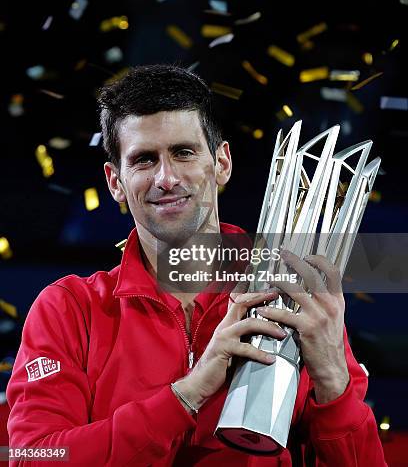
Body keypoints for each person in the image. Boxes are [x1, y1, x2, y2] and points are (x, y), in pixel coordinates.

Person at [7, 65, 386, 466]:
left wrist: (333, 382)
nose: (167, 177)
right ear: (115, 181)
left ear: (222, 162)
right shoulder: (69, 308)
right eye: (144, 160)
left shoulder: (294, 296)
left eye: (183, 152)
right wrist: (186, 395)